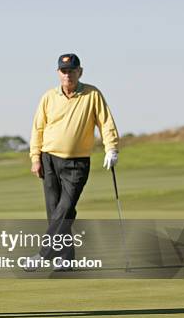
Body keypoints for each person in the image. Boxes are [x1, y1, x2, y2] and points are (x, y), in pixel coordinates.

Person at [27, 53, 119, 271]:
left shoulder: (92, 94)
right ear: (58, 73)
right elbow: (37, 129)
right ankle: (66, 258)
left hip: (77, 163)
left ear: (80, 71)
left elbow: (105, 123)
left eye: (71, 70)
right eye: (63, 71)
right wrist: (35, 158)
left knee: (65, 208)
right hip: (49, 159)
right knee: (55, 211)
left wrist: (111, 148)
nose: (67, 74)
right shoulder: (48, 97)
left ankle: (44, 254)